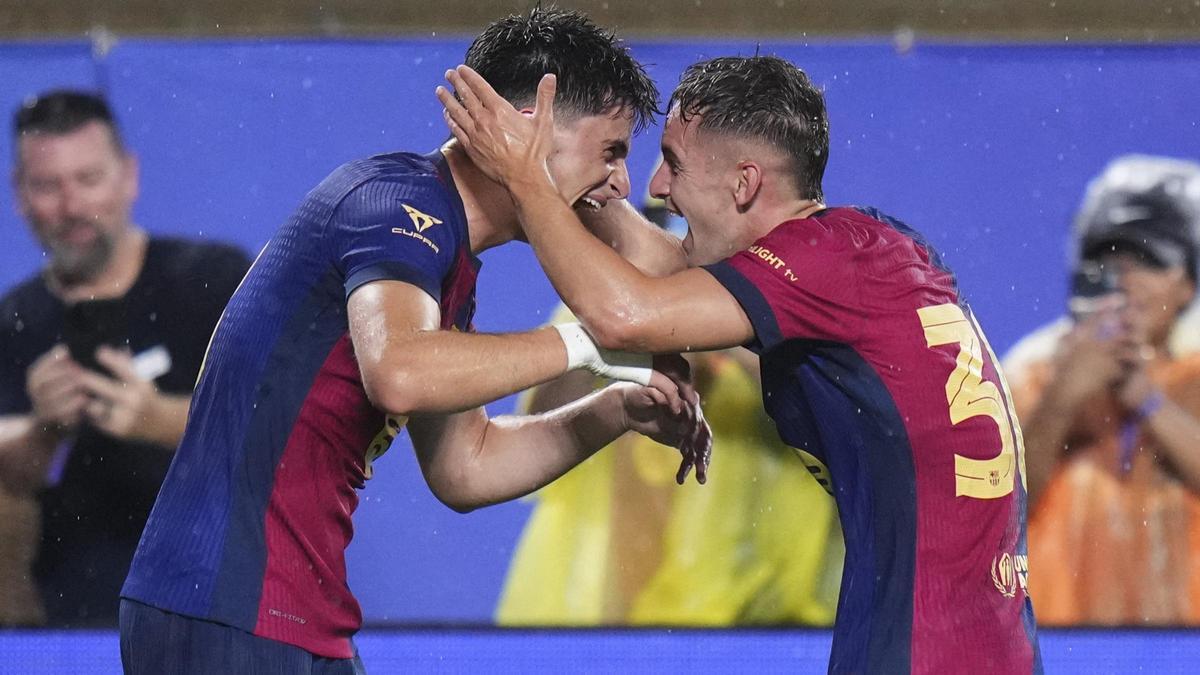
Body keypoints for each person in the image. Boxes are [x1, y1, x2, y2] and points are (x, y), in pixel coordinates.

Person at [119, 8, 708, 674]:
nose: (622, 183)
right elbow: (398, 371)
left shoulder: (445, 250)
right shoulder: (397, 206)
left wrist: (617, 408)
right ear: (524, 126)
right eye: (612, 151)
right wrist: (588, 342)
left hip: (286, 617)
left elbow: (467, 465)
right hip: (227, 609)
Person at [440, 55, 1042, 672]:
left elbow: (627, 315)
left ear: (744, 183)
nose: (656, 188)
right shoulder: (861, 256)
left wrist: (527, 182)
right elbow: (663, 268)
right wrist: (565, 175)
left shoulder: (819, 266)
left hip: (920, 655)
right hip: (973, 646)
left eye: (673, 164)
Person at [497, 196, 843, 627]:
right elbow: (532, 423)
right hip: (603, 632)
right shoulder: (608, 307)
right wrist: (613, 331)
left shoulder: (782, 315)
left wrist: (714, 319)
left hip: (761, 633)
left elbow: (837, 411)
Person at [0, 90, 252, 627]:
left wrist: (157, 419)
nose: (71, 207)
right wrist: (46, 432)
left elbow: (283, 426)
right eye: (48, 186)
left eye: (88, 179)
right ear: (19, 194)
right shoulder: (11, 322)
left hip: (212, 612)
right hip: (63, 625)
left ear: (128, 176)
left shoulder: (211, 280)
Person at [1002, 155, 1200, 625]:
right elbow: (991, 519)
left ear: (1189, 283)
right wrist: (1064, 397)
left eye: (1150, 260)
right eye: (1107, 260)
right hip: (1061, 649)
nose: (1125, 280)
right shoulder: (1030, 374)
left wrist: (1145, 398)